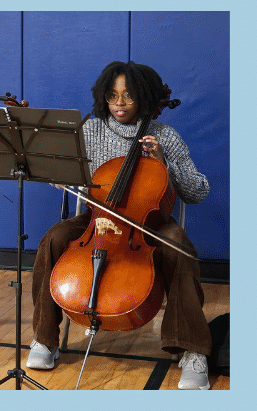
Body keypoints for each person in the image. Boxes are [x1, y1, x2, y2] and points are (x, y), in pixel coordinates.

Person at [26, 61, 213, 390]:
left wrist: (163, 162)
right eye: (113, 96)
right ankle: (45, 339)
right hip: (96, 217)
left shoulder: (165, 136)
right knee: (54, 239)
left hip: (150, 222)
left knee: (179, 249)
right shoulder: (90, 129)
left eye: (129, 96)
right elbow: (70, 175)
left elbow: (197, 191)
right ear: (103, 97)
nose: (120, 103)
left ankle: (193, 350)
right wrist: (62, 176)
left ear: (145, 97)